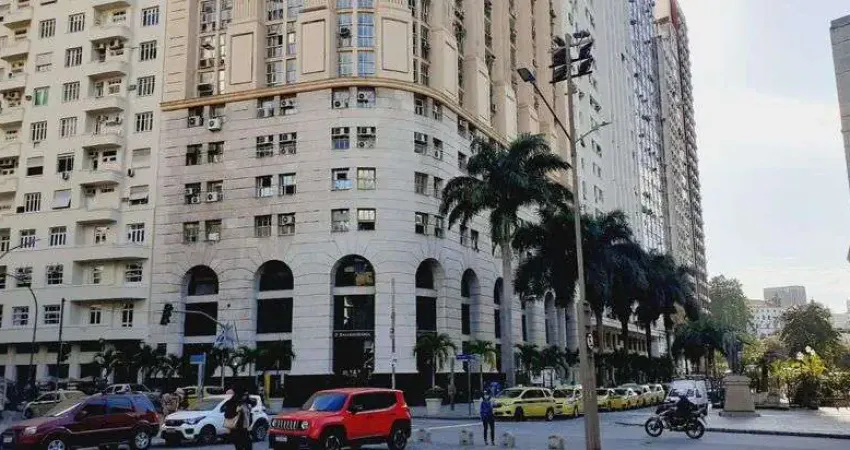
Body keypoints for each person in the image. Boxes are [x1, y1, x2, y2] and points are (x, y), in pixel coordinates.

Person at [223, 385, 252, 450]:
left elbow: (248, 416)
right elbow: (227, 415)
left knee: (249, 446)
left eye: (247, 394)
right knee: (240, 447)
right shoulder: (231, 403)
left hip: (245, 430)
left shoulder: (246, 403)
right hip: (236, 430)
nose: (246, 396)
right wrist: (237, 411)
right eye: (244, 394)